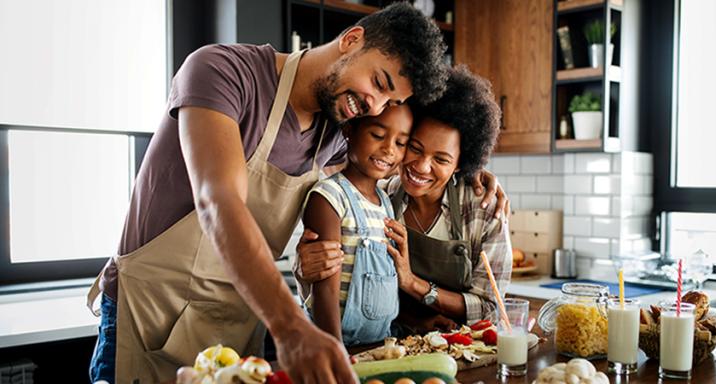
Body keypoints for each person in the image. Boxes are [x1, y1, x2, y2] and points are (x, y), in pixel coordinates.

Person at [87, 4, 450, 384]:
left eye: (390, 103)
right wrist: (290, 324)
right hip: (152, 315)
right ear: (352, 40)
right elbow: (218, 202)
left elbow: (383, 179)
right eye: (378, 83)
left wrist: (468, 177)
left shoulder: (335, 135)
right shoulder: (222, 72)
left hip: (236, 327)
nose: (374, 107)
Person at [297, 66, 512, 335]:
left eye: (441, 159)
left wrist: (412, 283)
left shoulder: (483, 210)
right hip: (393, 343)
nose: (421, 167)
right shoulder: (383, 197)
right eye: (414, 147)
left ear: (461, 164)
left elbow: (490, 306)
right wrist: (304, 265)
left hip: (464, 346)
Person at [302, 105, 412, 346]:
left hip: (378, 345)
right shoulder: (329, 197)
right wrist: (335, 352)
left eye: (400, 143)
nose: (388, 149)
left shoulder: (385, 203)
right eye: (378, 135)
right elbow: (326, 290)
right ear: (349, 130)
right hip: (333, 343)